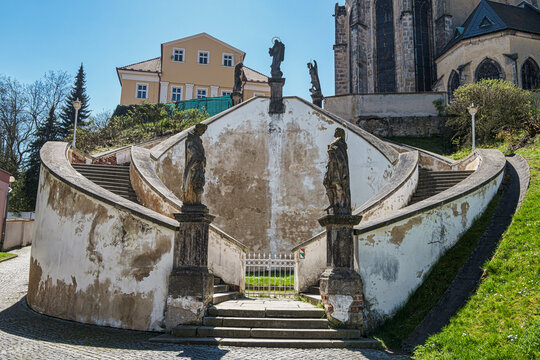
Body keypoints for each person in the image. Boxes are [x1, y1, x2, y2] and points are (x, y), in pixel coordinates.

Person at [323, 128, 351, 215]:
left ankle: (340, 205)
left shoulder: (339, 145)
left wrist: (333, 150)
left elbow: (341, 160)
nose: (335, 133)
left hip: (338, 171)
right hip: (331, 169)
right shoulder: (335, 145)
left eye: (337, 131)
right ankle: (333, 204)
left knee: (338, 187)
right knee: (329, 185)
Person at [182, 123, 208, 205]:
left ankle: (198, 201)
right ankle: (195, 201)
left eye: (204, 131)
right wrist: (199, 156)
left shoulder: (198, 140)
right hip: (194, 165)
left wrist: (203, 159)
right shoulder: (191, 139)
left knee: (199, 183)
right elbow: (191, 149)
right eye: (202, 130)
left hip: (199, 165)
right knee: (195, 182)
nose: (203, 132)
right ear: (198, 129)